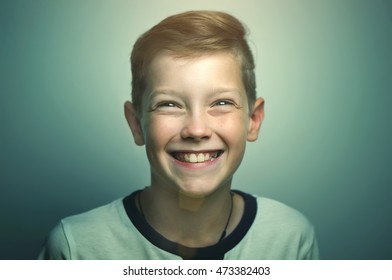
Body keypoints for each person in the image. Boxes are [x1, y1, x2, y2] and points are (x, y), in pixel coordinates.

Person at [38, 10, 319, 260]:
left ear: (253, 120)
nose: (196, 130)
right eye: (169, 104)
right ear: (136, 124)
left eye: (221, 103)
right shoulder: (76, 248)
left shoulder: (291, 240)